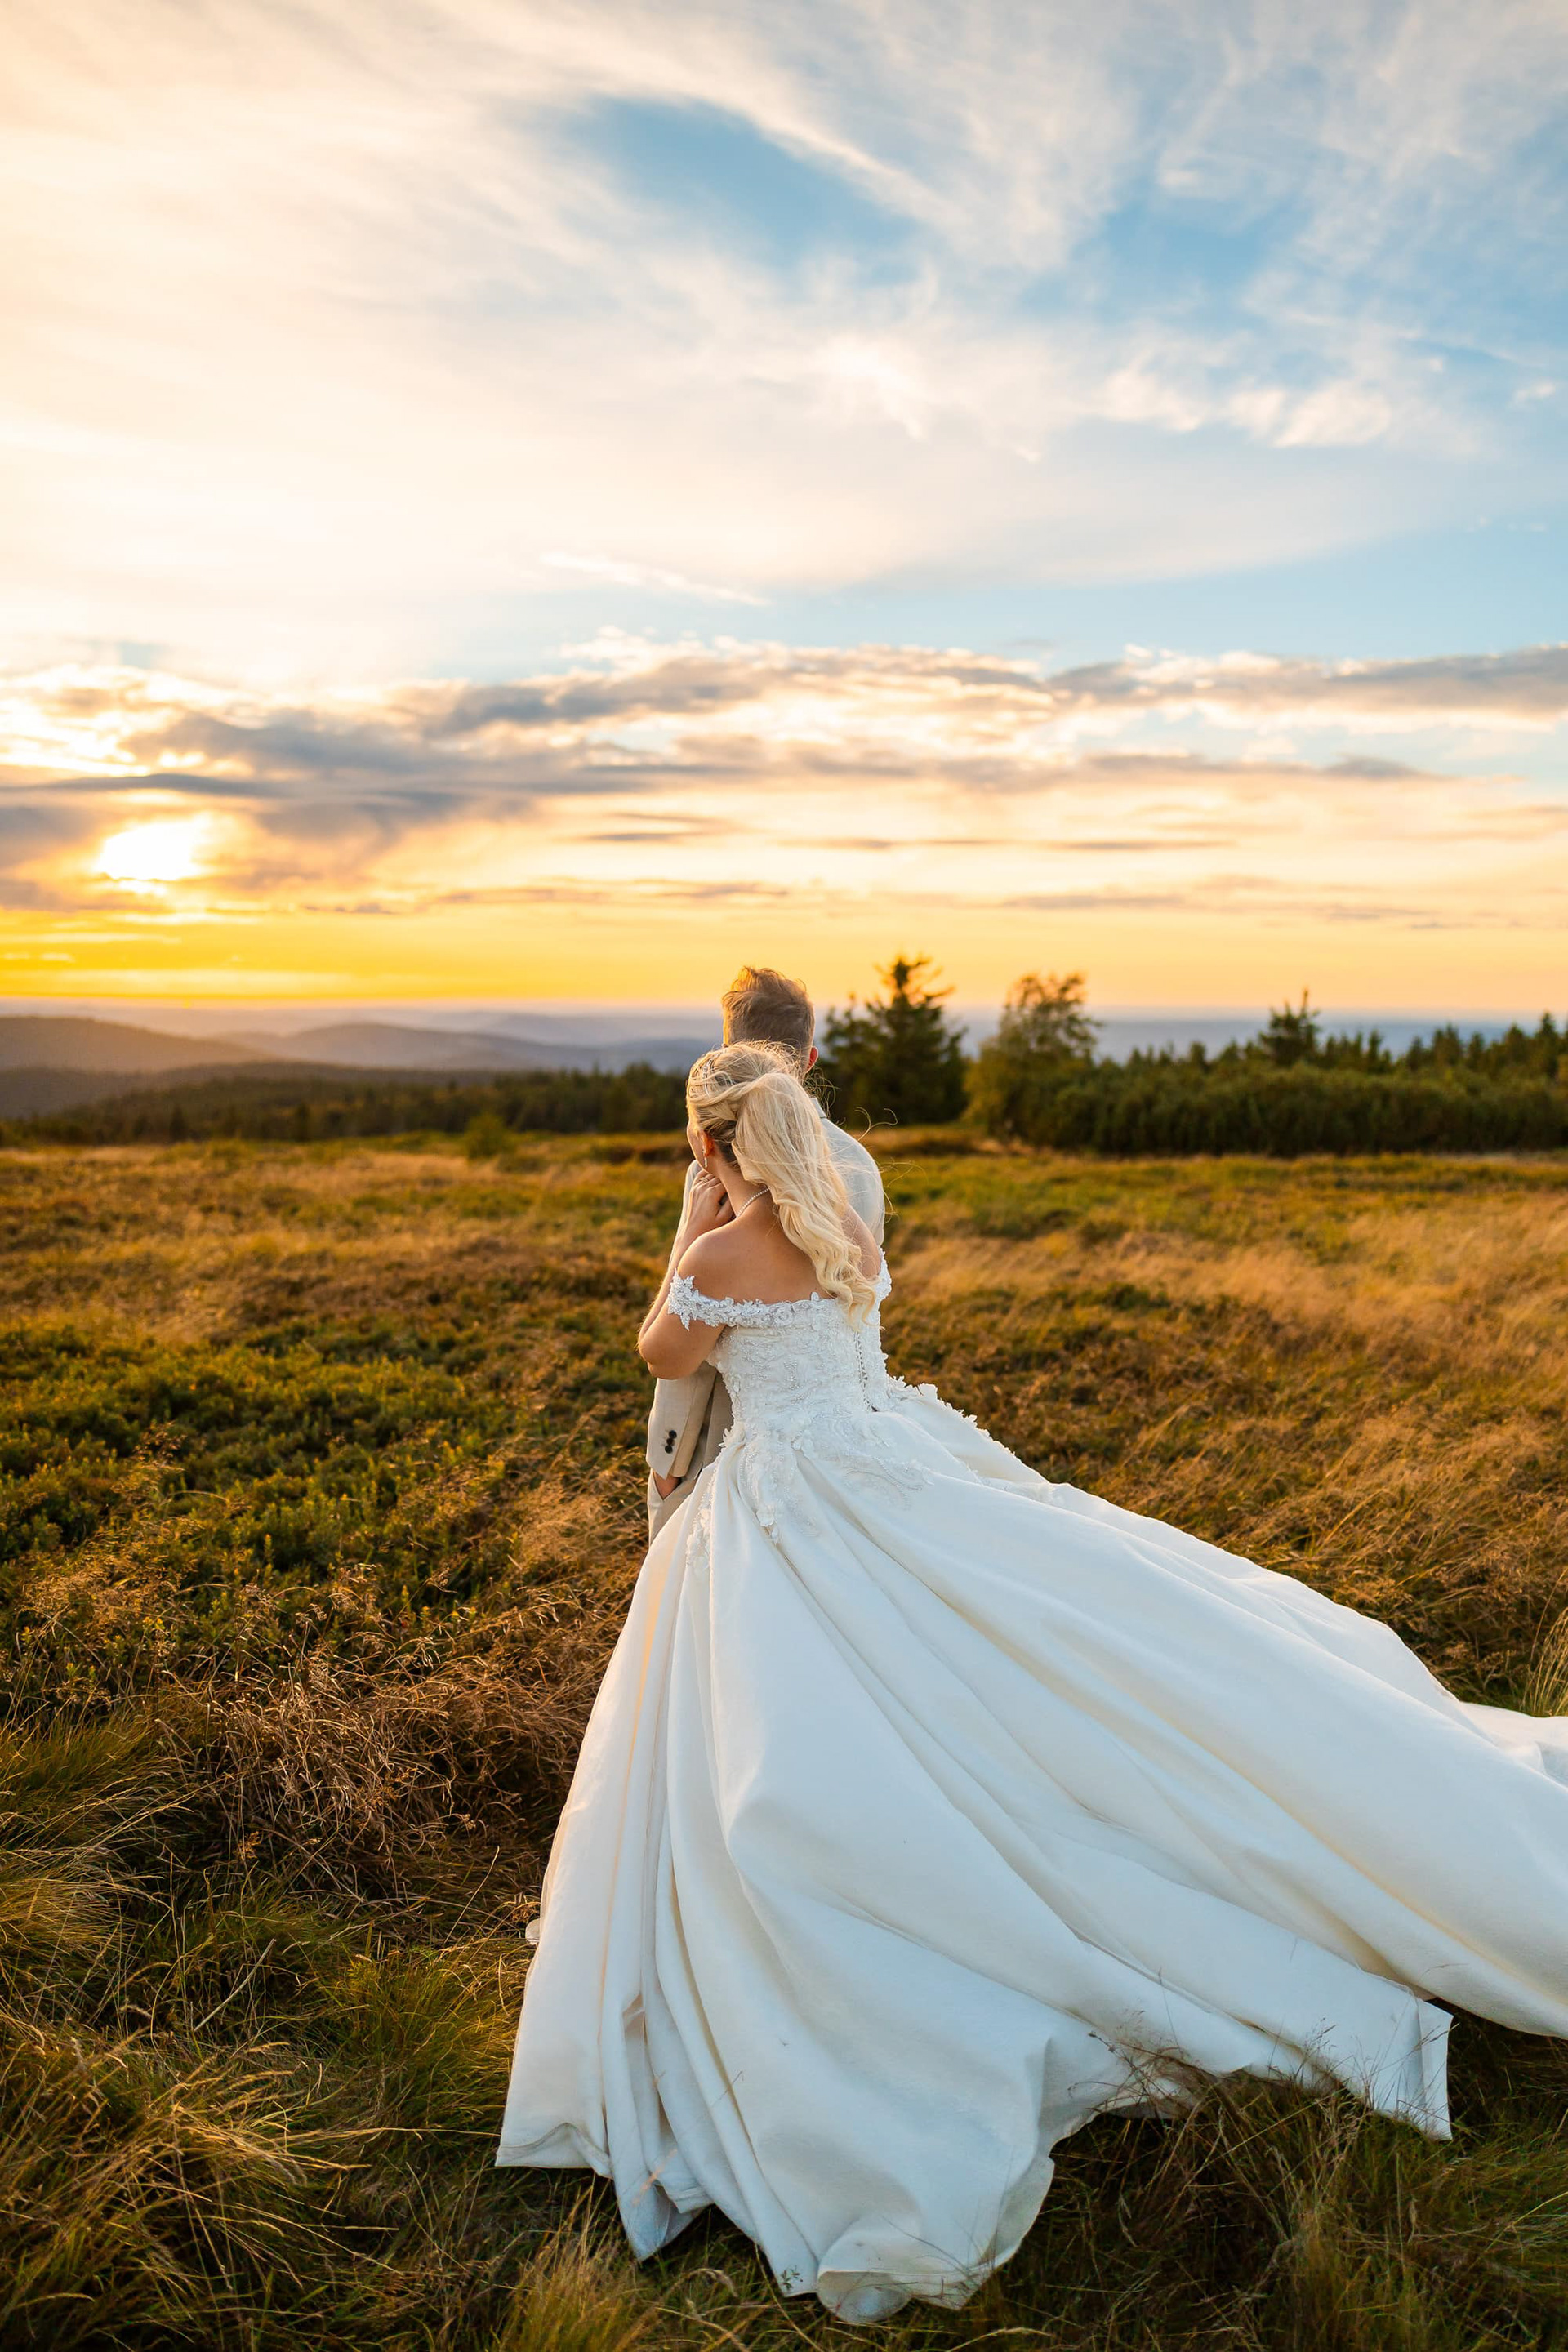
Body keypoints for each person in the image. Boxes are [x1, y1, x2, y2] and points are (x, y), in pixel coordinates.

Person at [497, 1047, 1568, 2324]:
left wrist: (692, 1219)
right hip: (888, 1470)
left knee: (789, 1754)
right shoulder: (846, 1229)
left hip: (788, 1509)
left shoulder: (720, 1256)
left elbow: (657, 1348)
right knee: (1006, 1674)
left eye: (701, 1149)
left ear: (718, 1147)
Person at [644, 964, 883, 1540]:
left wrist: (673, 1457)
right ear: (808, 1061)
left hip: (732, 1442)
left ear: (729, 1055)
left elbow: (688, 1340)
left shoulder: (718, 1167)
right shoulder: (858, 1170)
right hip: (844, 1433)